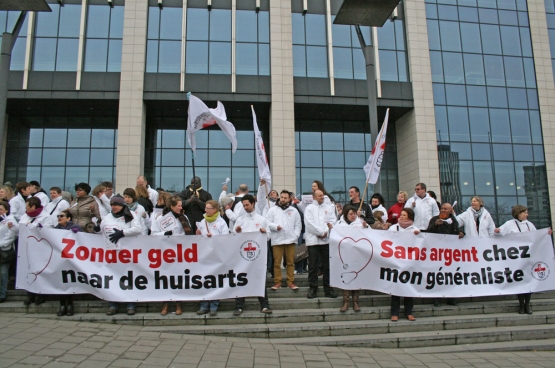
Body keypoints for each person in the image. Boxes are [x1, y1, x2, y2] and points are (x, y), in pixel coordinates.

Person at [494, 205, 552, 315]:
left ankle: (527, 304)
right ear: (518, 213)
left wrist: (546, 234)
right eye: (525, 212)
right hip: (516, 258)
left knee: (528, 281)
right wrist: (497, 231)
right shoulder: (509, 224)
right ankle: (521, 304)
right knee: (519, 281)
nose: (527, 214)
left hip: (528, 257)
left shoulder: (529, 224)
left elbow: (537, 236)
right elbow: (500, 232)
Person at [100, 195, 142, 316]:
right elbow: (103, 230)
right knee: (113, 278)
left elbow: (137, 229)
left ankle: (130, 304)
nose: (114, 207)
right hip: (112, 252)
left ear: (122, 205)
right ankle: (113, 304)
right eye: (112, 205)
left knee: (129, 278)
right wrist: (97, 229)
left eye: (116, 205)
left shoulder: (131, 215)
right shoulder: (108, 217)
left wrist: (122, 233)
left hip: (128, 252)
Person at [151, 195, 193, 316]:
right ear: (172, 206)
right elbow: (153, 234)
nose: (181, 207)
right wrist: (165, 233)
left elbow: (188, 234)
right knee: (166, 277)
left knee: (178, 277)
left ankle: (178, 303)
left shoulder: (184, 218)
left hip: (181, 252)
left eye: (181, 205)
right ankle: (165, 303)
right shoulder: (161, 219)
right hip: (166, 252)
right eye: (179, 205)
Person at [232, 195, 273, 315]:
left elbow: (269, 236)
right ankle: (239, 306)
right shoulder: (240, 220)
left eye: (247, 205)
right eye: (244, 205)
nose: (245, 207)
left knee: (260, 280)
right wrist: (237, 232)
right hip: (243, 256)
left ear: (253, 204)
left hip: (258, 256)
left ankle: (264, 305)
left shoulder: (262, 220)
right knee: (241, 279)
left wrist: (265, 233)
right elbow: (234, 237)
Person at [426, 203, 464, 307]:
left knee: (450, 275)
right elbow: (427, 232)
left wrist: (461, 233)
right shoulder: (434, 219)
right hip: (437, 252)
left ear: (450, 210)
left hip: (450, 253)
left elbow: (457, 231)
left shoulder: (454, 220)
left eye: (445, 209)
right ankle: (436, 298)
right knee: (437, 275)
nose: (443, 210)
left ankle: (450, 298)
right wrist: (435, 225)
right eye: (441, 208)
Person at [195, 200, 229, 316]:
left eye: (208, 208)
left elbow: (225, 238)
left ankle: (214, 306)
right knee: (204, 281)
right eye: (205, 208)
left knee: (215, 282)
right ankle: (203, 305)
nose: (205, 210)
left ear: (214, 210)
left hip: (216, 257)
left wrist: (213, 237)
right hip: (204, 257)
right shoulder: (202, 222)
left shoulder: (221, 223)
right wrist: (198, 234)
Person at [20, 197, 56, 306]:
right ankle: (30, 294)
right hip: (27, 247)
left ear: (34, 206)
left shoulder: (46, 217)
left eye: (27, 206)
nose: (26, 208)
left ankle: (41, 295)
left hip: (41, 248)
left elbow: (49, 230)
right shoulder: (25, 216)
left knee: (40, 271)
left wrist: (39, 228)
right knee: (29, 270)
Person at [266, 190, 302, 291]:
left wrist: (295, 235)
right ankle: (277, 282)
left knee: (290, 262)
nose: (282, 199)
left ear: (289, 199)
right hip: (277, 240)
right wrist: (275, 226)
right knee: (277, 263)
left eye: (285, 198)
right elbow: (267, 222)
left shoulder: (294, 211)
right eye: (281, 197)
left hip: (290, 240)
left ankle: (290, 282)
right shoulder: (273, 210)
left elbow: (298, 224)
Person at [304, 189, 337, 299]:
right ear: (314, 197)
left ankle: (328, 289)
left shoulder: (329, 208)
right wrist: (320, 232)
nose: (322, 197)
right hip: (313, 241)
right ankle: (313, 288)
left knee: (327, 266)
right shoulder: (309, 209)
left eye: (322, 195)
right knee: (313, 266)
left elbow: (332, 222)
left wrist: (326, 233)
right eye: (319, 196)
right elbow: (309, 224)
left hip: (325, 241)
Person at [388, 208, 419, 321]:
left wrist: (418, 236)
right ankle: (394, 312)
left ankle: (409, 312)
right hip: (396, 261)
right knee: (396, 288)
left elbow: (420, 243)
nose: (401, 216)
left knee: (408, 288)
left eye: (404, 215)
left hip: (409, 262)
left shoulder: (415, 229)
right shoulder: (394, 227)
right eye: (401, 214)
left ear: (410, 217)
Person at [336, 205, 369, 312]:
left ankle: (355, 302)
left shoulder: (360, 223)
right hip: (344, 256)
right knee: (346, 278)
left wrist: (366, 227)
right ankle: (346, 301)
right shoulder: (339, 224)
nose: (353, 216)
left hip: (357, 256)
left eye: (354, 213)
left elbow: (370, 236)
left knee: (356, 277)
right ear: (345, 214)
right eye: (350, 214)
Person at [53, 210, 81, 316]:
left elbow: (84, 241)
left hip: (71, 260)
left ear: (68, 218)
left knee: (69, 282)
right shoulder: (55, 230)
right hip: (60, 260)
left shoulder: (75, 227)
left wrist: (78, 234)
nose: (59, 218)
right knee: (62, 282)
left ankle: (70, 304)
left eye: (62, 216)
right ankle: (62, 305)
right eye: (58, 216)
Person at [0, 201, 18, 303]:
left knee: (3, 273)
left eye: (1, 209)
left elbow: (12, 235)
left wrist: (1, 244)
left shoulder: (10, 220)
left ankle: (2, 294)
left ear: (6, 210)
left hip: (4, 251)